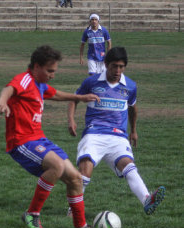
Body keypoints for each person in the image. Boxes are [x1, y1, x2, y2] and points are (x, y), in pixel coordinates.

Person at [0, 45, 100, 228]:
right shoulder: (25, 79)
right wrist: (2, 101)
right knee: (57, 166)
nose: (53, 75)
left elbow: (56, 94)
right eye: (50, 71)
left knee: (75, 178)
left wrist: (80, 97)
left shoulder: (40, 85)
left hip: (39, 139)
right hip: (21, 142)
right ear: (37, 66)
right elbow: (9, 88)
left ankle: (81, 225)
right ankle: (32, 214)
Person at [67, 47, 165, 217]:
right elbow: (74, 99)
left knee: (129, 166)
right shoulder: (91, 82)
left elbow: (133, 109)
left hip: (118, 136)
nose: (117, 71)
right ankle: (74, 210)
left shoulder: (130, 86)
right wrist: (71, 120)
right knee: (86, 169)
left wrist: (133, 131)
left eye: (121, 67)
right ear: (106, 65)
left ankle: (147, 200)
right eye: (114, 66)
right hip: (94, 133)